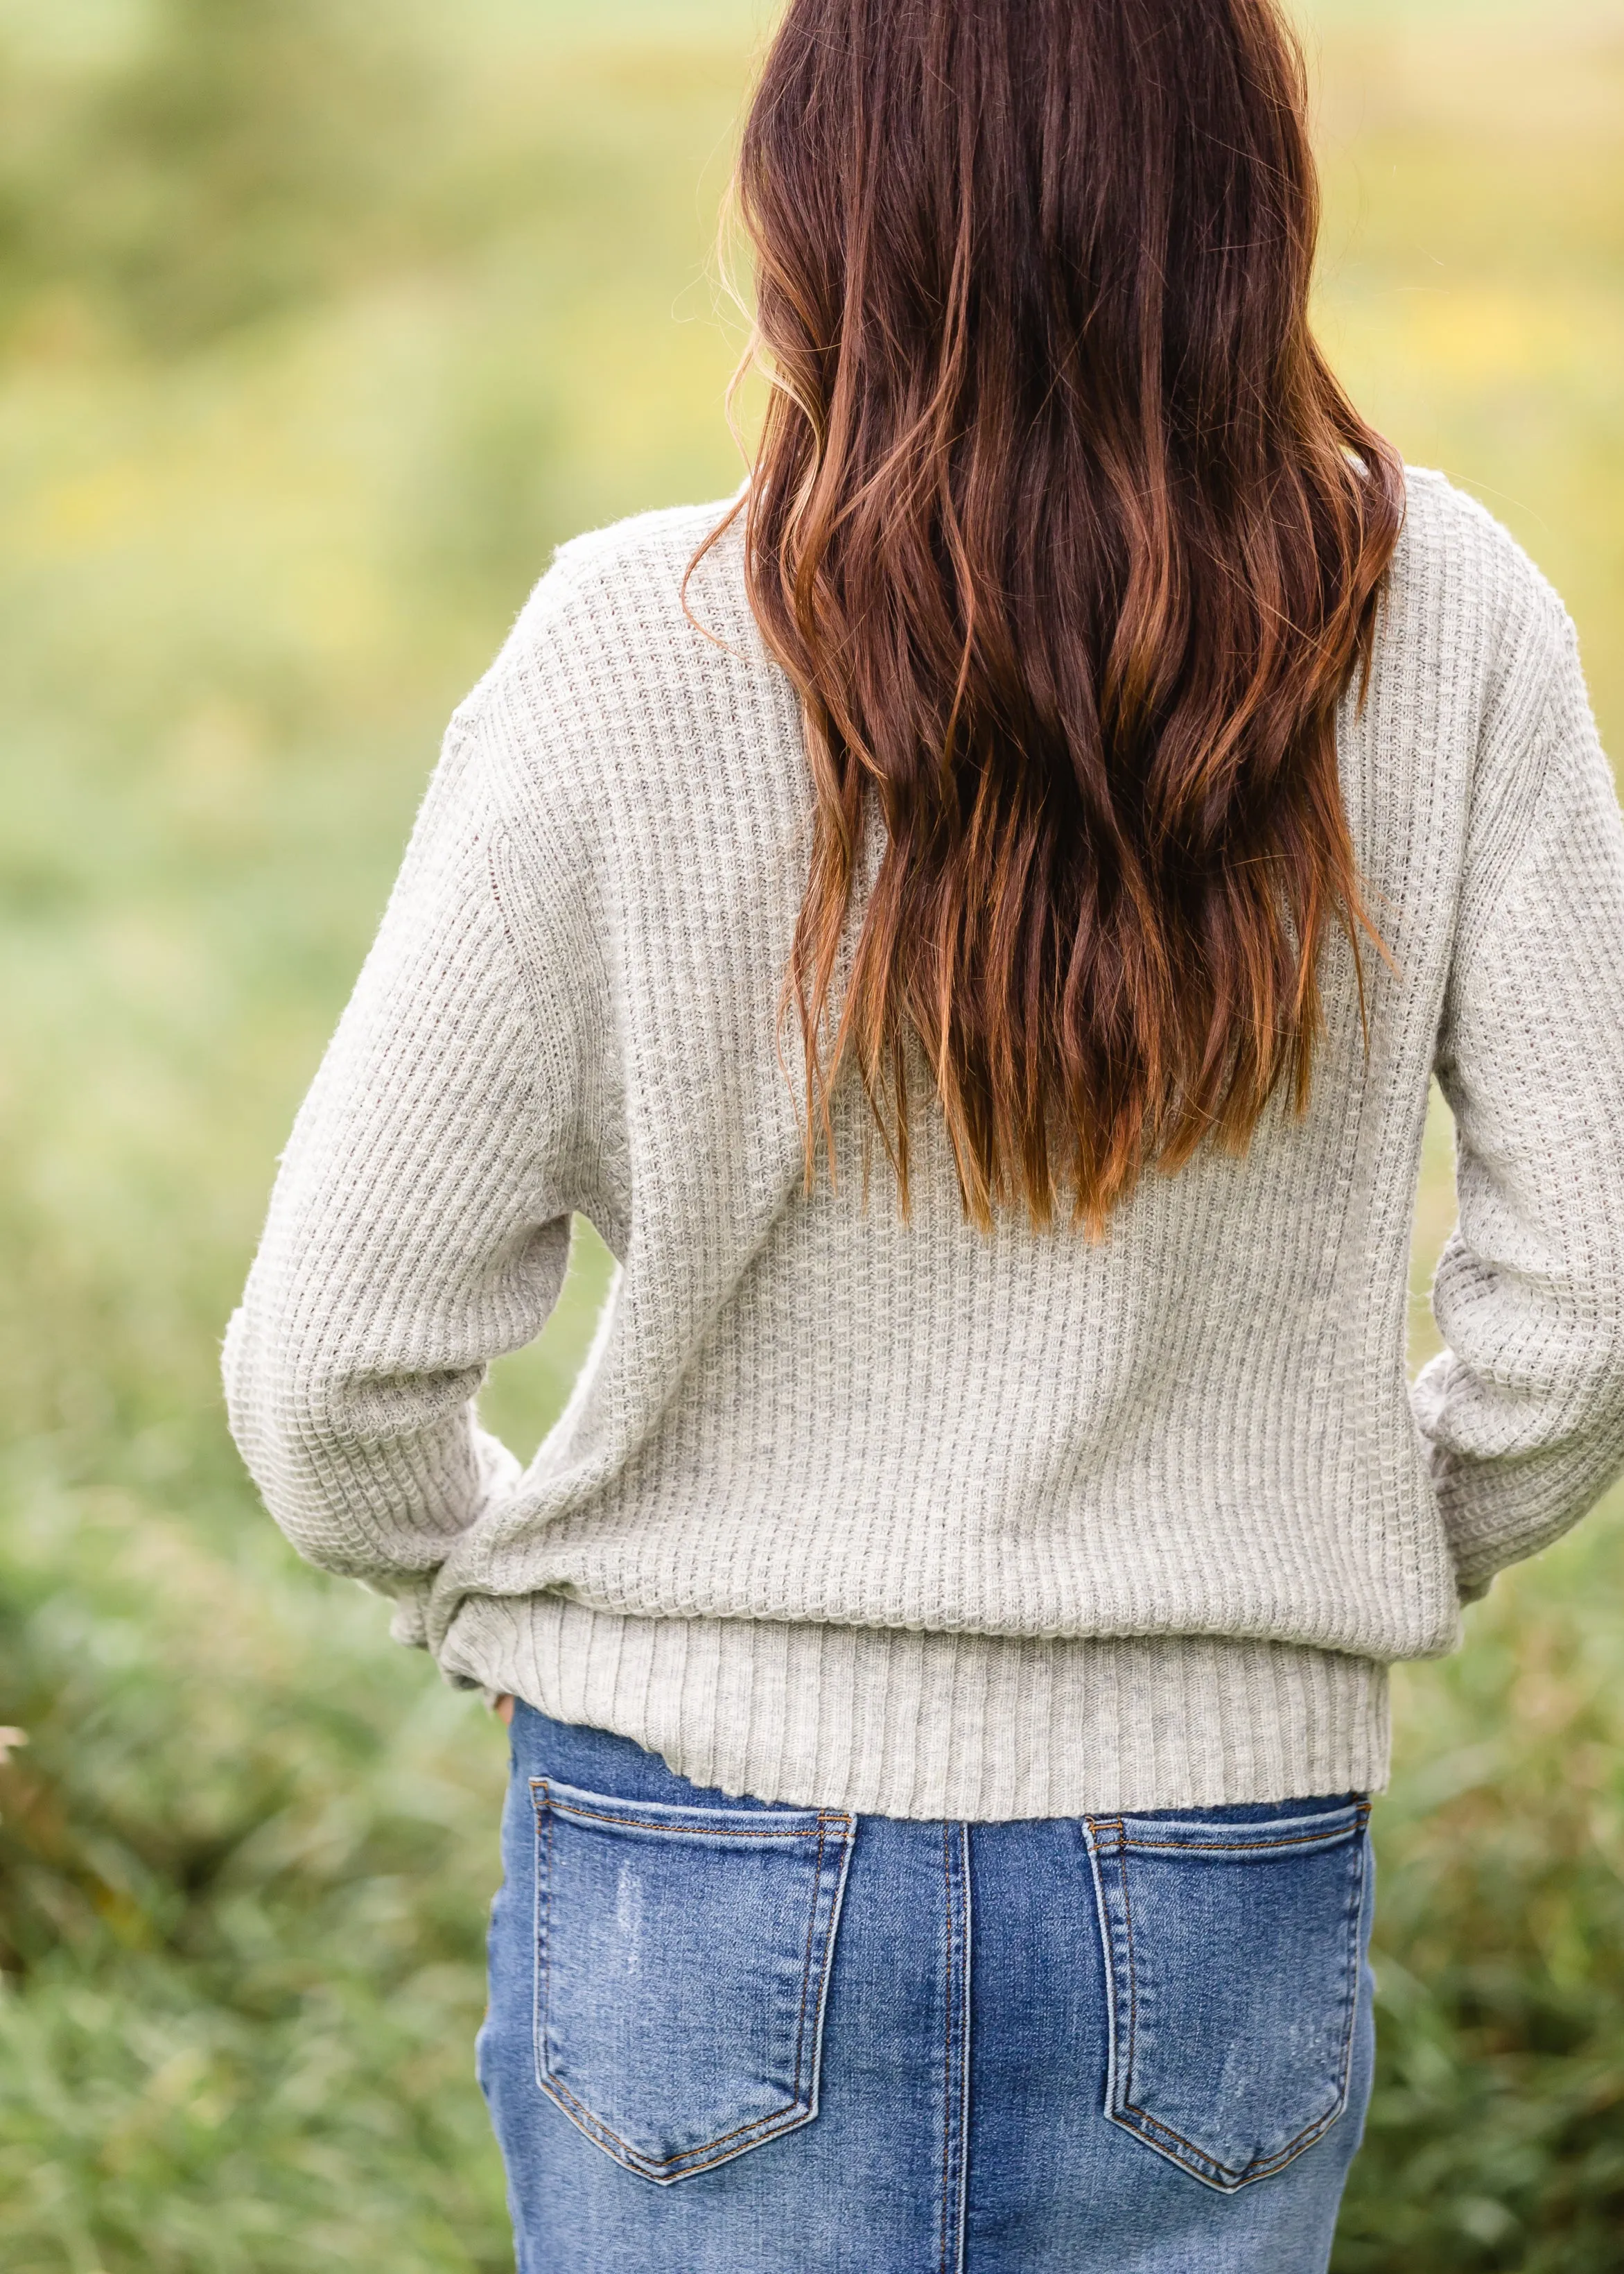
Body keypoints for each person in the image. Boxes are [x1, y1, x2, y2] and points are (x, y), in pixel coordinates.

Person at [223, 1, 1624, 2266]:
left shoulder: (628, 641)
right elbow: (1591, 1308)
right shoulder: (1442, 618)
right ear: (1249, 202)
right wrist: (1322, 1554)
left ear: (811, 202)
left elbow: (332, 1365)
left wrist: (487, 1584)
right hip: (1221, 1849)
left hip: (684, 1839)